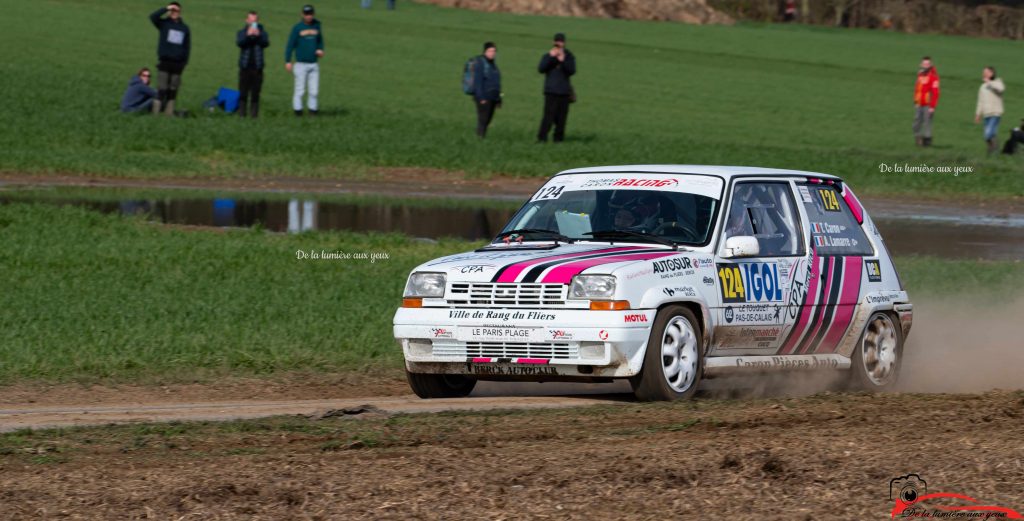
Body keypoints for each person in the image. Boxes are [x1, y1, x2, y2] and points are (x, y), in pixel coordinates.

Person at [149, 2, 191, 116]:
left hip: (178, 64)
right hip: (165, 62)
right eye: (172, 10)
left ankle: (169, 113)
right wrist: (166, 8)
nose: (174, 13)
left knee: (173, 90)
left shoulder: (185, 28)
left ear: (180, 12)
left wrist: (185, 62)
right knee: (162, 88)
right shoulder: (163, 24)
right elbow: (152, 17)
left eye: (176, 10)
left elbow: (187, 47)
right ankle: (156, 113)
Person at [285, 5, 324, 116]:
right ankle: (298, 113)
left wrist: (320, 49)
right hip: (300, 64)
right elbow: (290, 45)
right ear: (302, 14)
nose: (309, 16)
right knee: (300, 91)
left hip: (314, 64)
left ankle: (313, 112)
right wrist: (287, 61)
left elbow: (320, 41)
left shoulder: (317, 25)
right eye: (306, 14)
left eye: (310, 14)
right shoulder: (297, 28)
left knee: (314, 91)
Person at [537, 33, 576, 143]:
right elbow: (541, 69)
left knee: (561, 119)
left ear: (564, 43)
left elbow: (572, 70)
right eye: (557, 41)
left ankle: (558, 140)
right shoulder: (548, 55)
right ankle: (541, 139)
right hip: (551, 91)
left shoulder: (569, 56)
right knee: (548, 118)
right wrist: (551, 57)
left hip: (564, 92)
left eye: (561, 41)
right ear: (553, 42)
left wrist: (563, 60)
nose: (559, 44)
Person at [237, 11, 269, 118]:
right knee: (243, 93)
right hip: (245, 67)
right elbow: (240, 42)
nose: (252, 23)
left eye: (254, 21)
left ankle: (254, 116)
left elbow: (266, 43)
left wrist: (258, 36)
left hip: (257, 68)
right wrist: (248, 35)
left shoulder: (262, 32)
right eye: (251, 20)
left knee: (255, 94)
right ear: (247, 21)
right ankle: (242, 115)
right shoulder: (242, 32)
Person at [472, 42, 502, 138]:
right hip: (484, 97)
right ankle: (479, 138)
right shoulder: (480, 64)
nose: (492, 53)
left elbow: (496, 83)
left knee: (487, 120)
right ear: (485, 51)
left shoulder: (493, 65)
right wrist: (481, 98)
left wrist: (498, 99)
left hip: (492, 97)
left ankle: (481, 137)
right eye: (490, 51)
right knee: (483, 120)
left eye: (494, 51)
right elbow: (478, 81)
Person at [975, 66, 1005, 155]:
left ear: (992, 73)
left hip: (995, 113)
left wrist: (990, 83)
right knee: (989, 135)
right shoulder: (982, 87)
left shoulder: (998, 82)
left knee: (988, 134)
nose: (984, 74)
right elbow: (980, 101)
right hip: (986, 114)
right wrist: (978, 114)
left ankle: (994, 149)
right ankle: (993, 151)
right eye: (983, 72)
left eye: (986, 72)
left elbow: (1001, 89)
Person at [913, 56, 940, 147]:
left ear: (930, 65)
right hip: (919, 103)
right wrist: (915, 101)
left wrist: (932, 106)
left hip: (927, 105)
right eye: (924, 64)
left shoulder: (933, 77)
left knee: (927, 123)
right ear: (921, 64)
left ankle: (926, 143)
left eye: (928, 64)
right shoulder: (920, 75)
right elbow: (917, 89)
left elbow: (936, 93)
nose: (926, 65)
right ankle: (918, 137)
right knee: (916, 123)